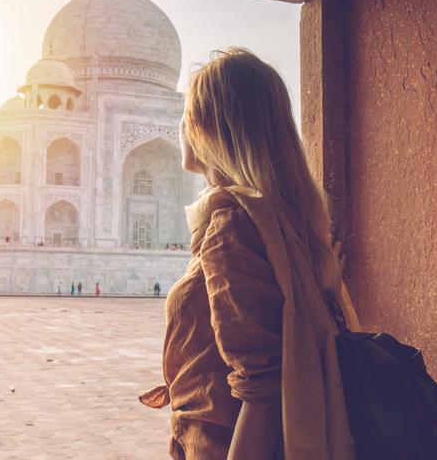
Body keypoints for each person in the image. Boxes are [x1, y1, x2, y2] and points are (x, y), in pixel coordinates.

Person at [138, 48, 360, 460]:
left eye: (187, 115)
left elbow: (262, 387)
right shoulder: (284, 218)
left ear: (209, 127)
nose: (181, 127)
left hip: (229, 444)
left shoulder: (234, 222)